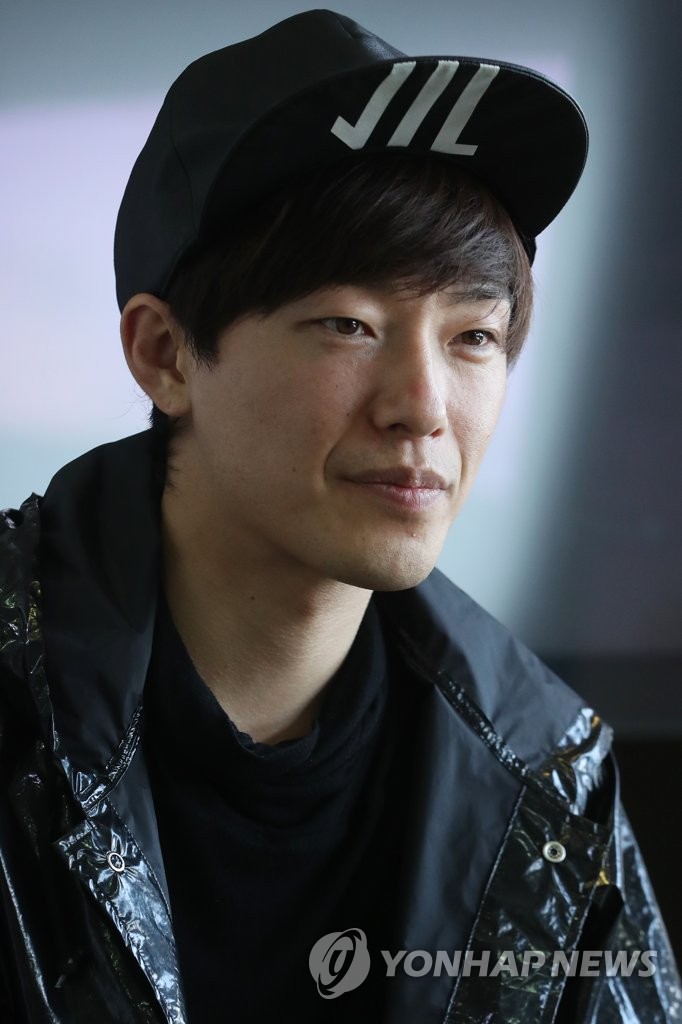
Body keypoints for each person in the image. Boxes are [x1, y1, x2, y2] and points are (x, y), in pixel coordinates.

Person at [0, 10, 678, 1024]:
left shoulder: (546, 776)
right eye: (349, 324)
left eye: (473, 336)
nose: (423, 406)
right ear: (165, 354)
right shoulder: (21, 710)